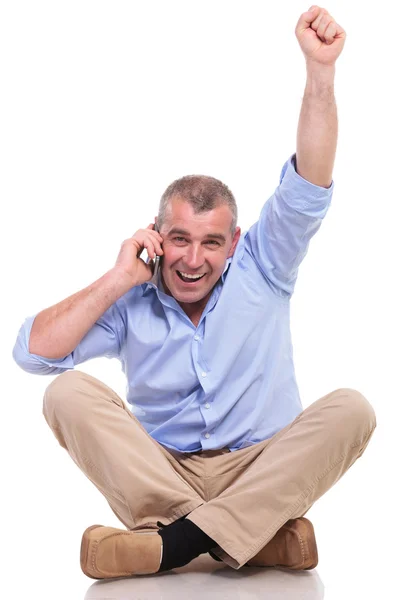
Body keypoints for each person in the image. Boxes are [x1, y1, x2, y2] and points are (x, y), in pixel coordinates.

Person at [12, 6, 376, 580]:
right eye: (178, 239)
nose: (192, 259)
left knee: (354, 408)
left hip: (261, 469)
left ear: (233, 243)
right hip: (165, 475)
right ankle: (253, 541)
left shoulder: (265, 262)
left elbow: (309, 182)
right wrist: (117, 279)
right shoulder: (132, 296)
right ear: (157, 234)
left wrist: (321, 74)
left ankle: (173, 545)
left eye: (210, 243)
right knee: (67, 394)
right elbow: (33, 353)